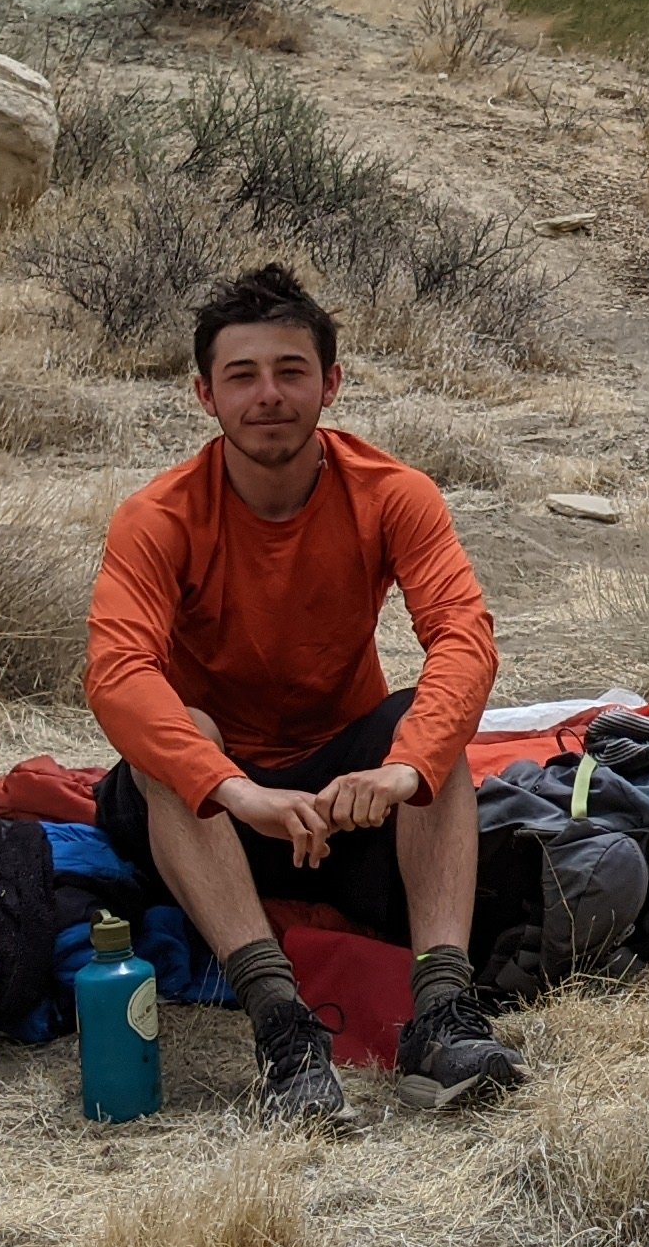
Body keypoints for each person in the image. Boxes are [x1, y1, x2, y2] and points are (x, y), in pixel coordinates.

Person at [84, 260, 524, 1121]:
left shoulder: (395, 494)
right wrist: (234, 789)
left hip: (341, 803)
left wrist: (402, 773)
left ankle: (440, 1014)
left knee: (422, 732)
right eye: (242, 376)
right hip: (214, 811)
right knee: (186, 729)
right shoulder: (159, 516)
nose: (269, 395)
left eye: (291, 372)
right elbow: (118, 673)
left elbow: (464, 640)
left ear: (331, 383)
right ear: (205, 396)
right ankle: (284, 1030)